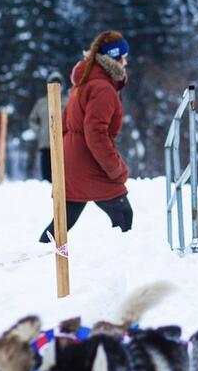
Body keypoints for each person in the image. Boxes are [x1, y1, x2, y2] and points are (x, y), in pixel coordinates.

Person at [38, 31, 133, 241]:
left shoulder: (82, 84)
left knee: (63, 221)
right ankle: (127, 261)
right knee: (124, 216)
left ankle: (38, 253)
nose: (126, 61)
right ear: (114, 58)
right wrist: (115, 169)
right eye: (123, 56)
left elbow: (64, 123)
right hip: (90, 162)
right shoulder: (103, 88)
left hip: (74, 161)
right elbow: (96, 133)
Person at [27, 72, 69, 182]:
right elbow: (32, 120)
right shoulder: (41, 103)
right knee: (47, 177)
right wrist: (39, 131)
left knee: (63, 175)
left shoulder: (68, 101)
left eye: (58, 83)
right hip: (46, 143)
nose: (56, 85)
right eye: (53, 82)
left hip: (64, 143)